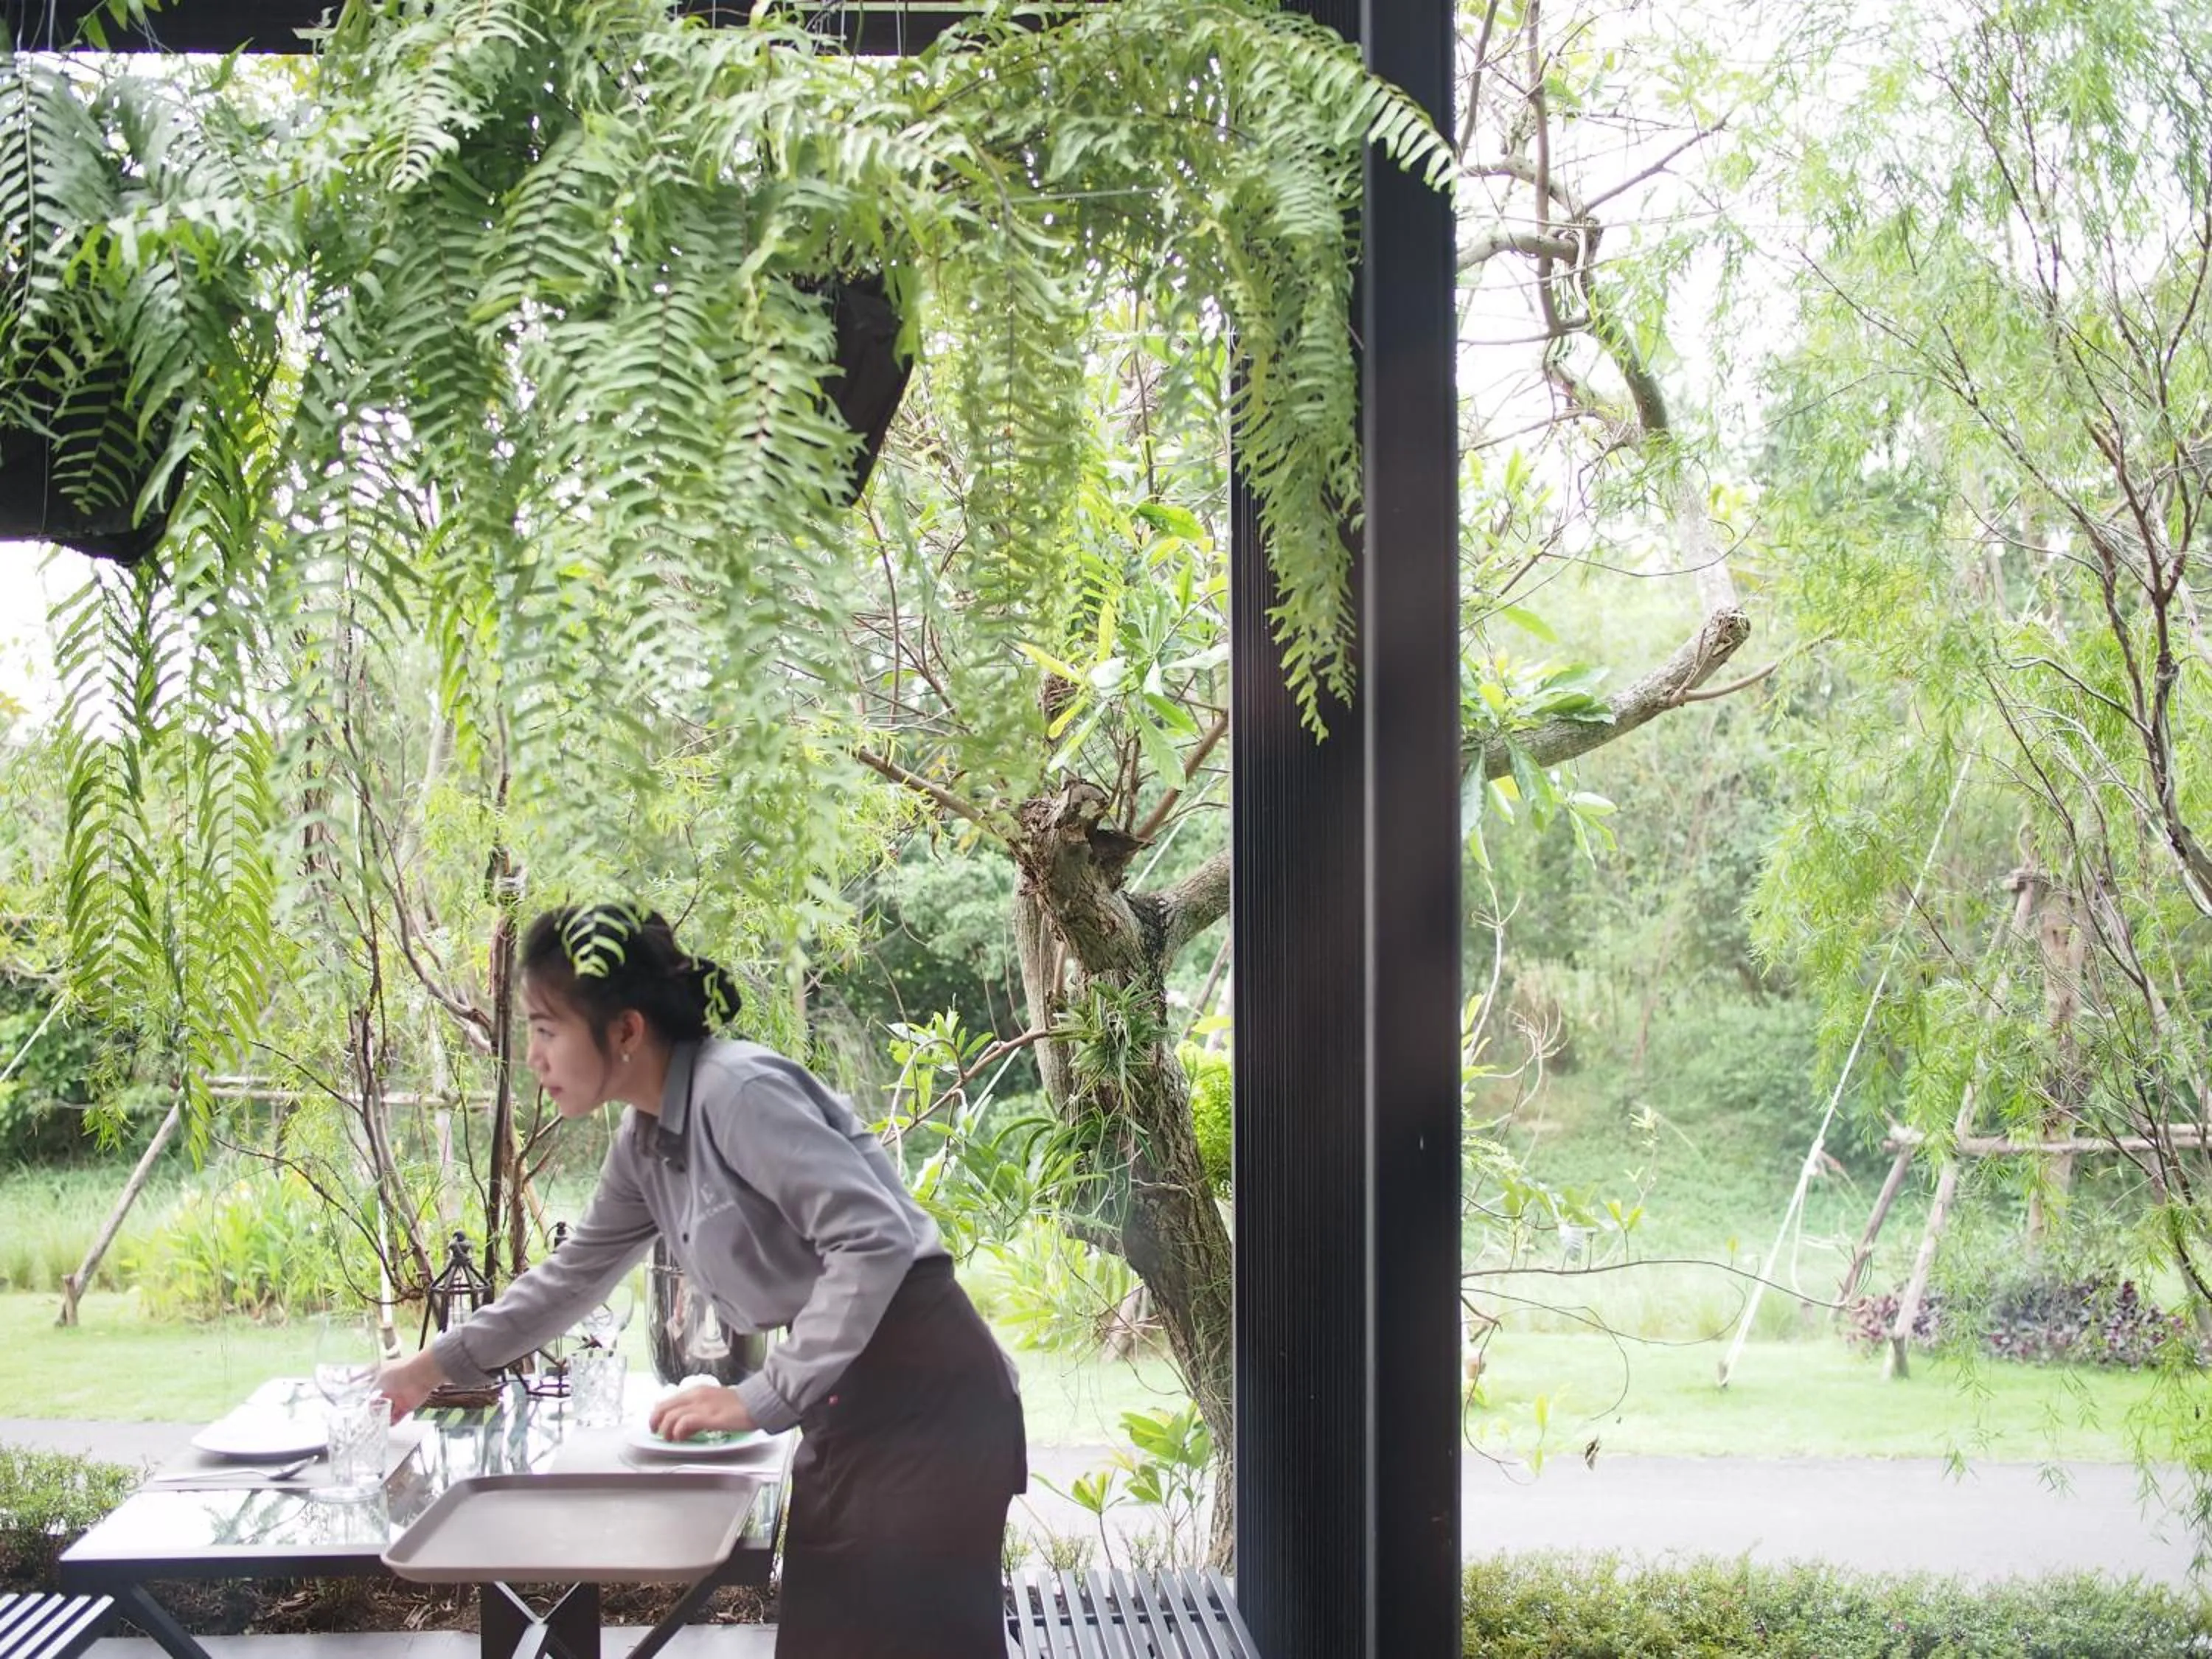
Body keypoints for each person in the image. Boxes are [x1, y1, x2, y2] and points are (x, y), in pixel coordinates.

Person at [376, 902, 1027, 1658]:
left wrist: (760, 1397)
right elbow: (571, 1278)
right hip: (854, 1407)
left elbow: (873, 1239)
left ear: (625, 1030)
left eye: (547, 1028)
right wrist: (426, 1371)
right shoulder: (646, 1139)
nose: (534, 1056)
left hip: (930, 1400)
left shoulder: (736, 1092)